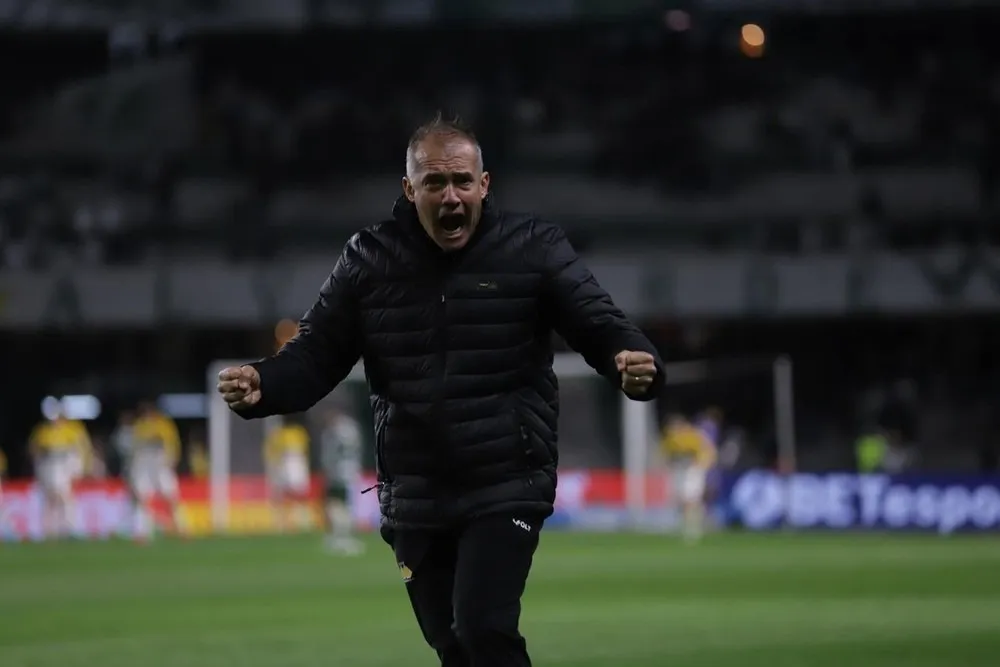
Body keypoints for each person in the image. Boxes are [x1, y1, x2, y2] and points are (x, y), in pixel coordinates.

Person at [216, 115, 664, 667]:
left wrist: (632, 360)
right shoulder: (368, 260)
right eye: (434, 183)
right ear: (409, 190)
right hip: (414, 490)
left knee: (482, 628)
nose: (450, 196)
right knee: (452, 646)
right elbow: (314, 354)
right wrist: (265, 383)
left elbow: (599, 323)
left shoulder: (533, 248)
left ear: (484, 185)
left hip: (506, 478)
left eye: (461, 182)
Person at [29, 409, 92, 539]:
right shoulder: (43, 431)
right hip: (47, 467)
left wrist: (79, 468)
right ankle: (49, 530)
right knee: (49, 498)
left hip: (63, 468)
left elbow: (80, 449)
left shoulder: (71, 430)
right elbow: (34, 448)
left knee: (64, 496)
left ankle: (67, 529)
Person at [128, 401, 184, 539]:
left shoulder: (164, 425)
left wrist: (172, 460)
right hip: (144, 464)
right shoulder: (139, 426)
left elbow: (172, 443)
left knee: (171, 497)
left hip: (161, 464)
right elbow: (135, 448)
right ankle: (142, 532)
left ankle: (181, 528)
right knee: (143, 498)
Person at [661, 413, 716, 542]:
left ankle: (693, 529)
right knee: (681, 500)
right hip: (680, 471)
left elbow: (708, 451)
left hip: (693, 470)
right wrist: (670, 466)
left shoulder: (693, 436)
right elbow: (666, 454)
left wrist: (702, 465)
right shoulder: (672, 438)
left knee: (691, 500)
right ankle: (689, 526)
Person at [319, 406, 364, 554]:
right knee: (344, 504)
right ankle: (342, 536)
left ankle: (340, 537)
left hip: (338, 472)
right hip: (351, 471)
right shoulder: (351, 430)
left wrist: (327, 468)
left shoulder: (334, 433)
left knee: (336, 503)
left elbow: (330, 454)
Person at [262, 416, 312, 532]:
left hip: (295, 462)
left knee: (298, 493)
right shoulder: (277, 433)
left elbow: (304, 450)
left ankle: (301, 520)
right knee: (280, 495)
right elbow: (270, 451)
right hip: (281, 464)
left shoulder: (298, 432)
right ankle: (281, 522)